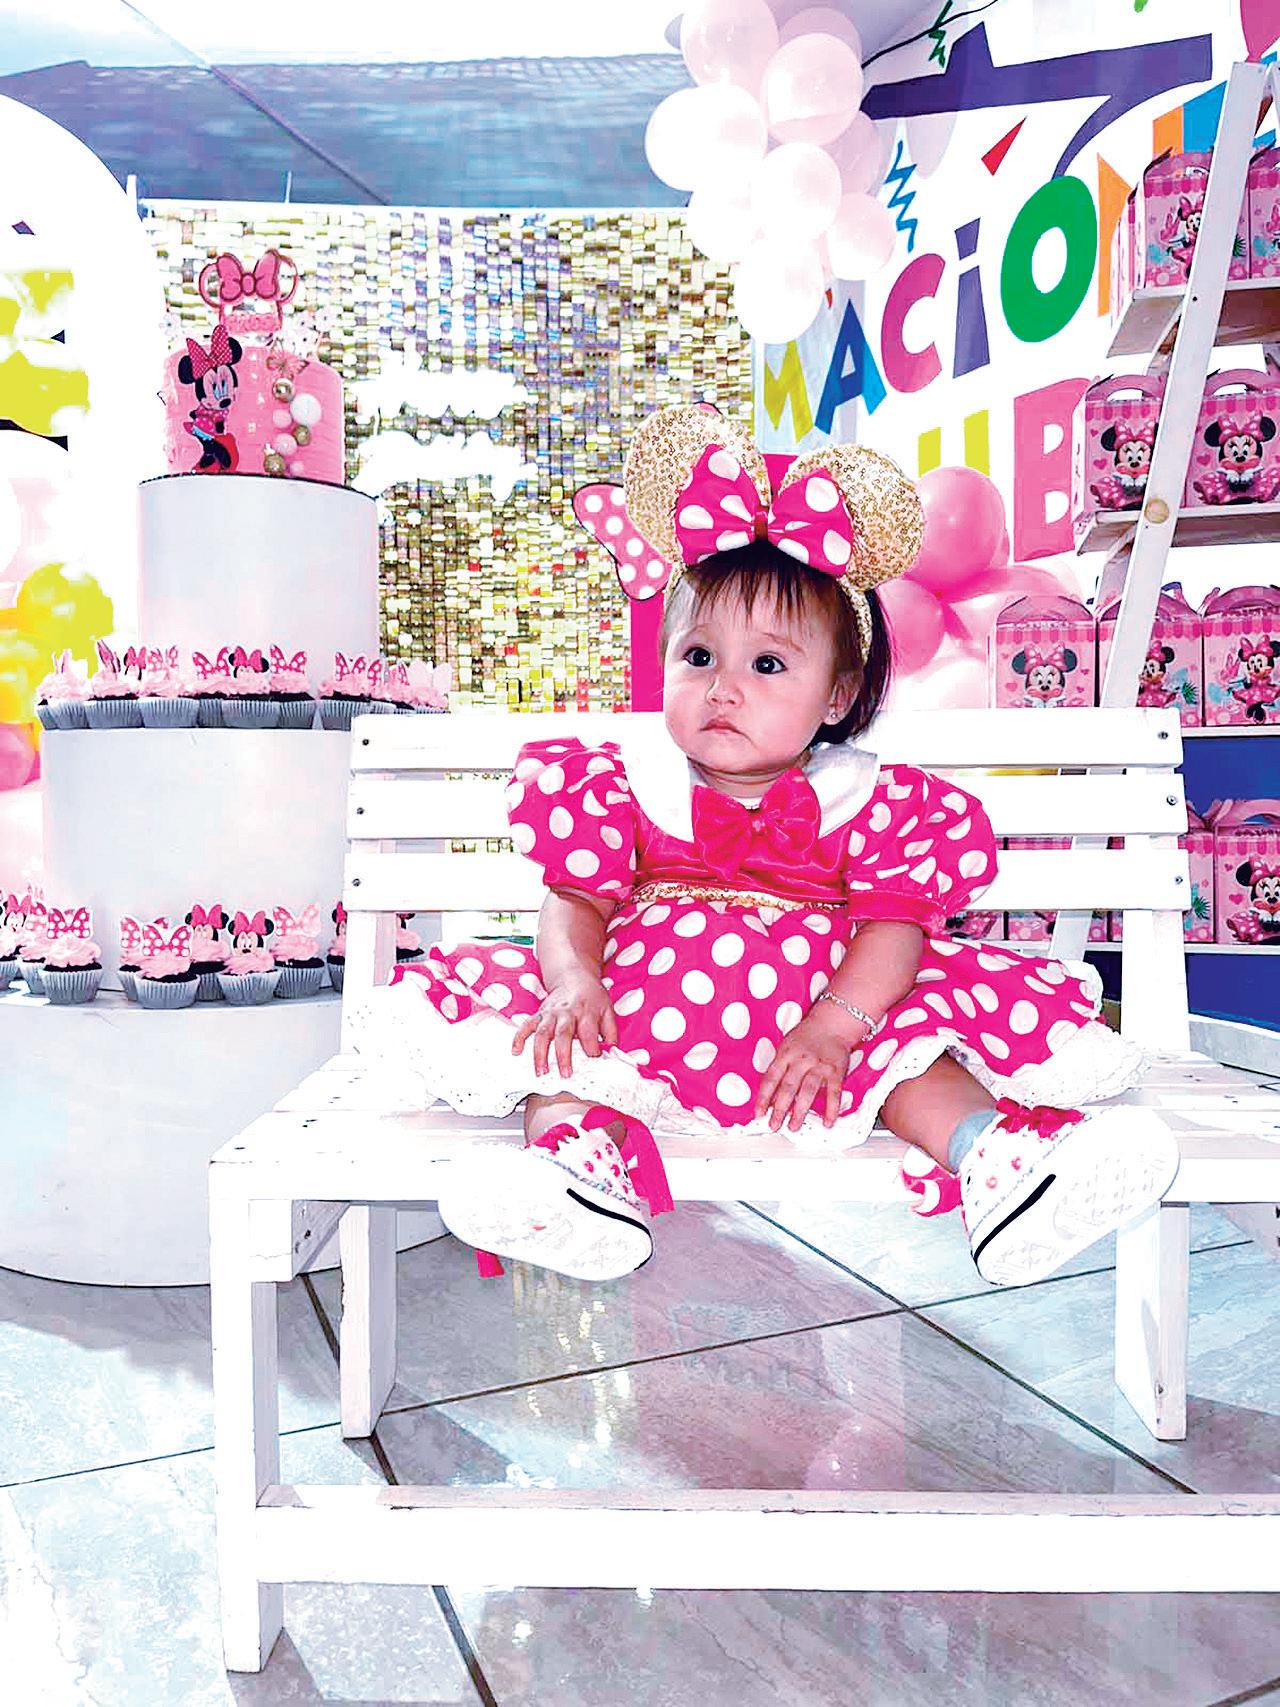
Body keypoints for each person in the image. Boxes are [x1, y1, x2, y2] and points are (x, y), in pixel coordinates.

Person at [354, 404, 1177, 1288]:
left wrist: (834, 1026)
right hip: (648, 1007)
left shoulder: (867, 800)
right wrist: (575, 978)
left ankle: (1001, 1161)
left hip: (819, 1019)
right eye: (698, 656)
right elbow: (574, 900)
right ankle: (574, 1171)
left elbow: (893, 929)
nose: (724, 687)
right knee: (573, 1048)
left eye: (769, 665)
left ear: (837, 694)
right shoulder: (627, 786)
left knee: (910, 1050)